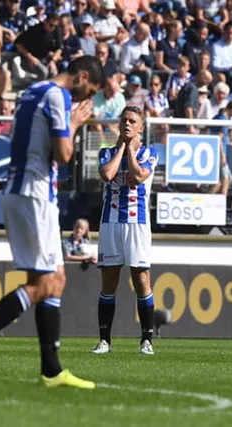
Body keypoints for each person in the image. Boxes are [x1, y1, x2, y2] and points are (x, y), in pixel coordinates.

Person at [0, 55, 104, 389]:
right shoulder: (58, 96)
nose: (81, 100)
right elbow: (63, 153)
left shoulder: (34, 90)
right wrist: (75, 124)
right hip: (34, 192)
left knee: (55, 279)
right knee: (45, 284)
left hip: (22, 189)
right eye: (86, 91)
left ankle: (51, 371)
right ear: (82, 77)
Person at [92, 105, 158, 356]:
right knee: (109, 281)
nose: (127, 125)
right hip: (110, 222)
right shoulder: (107, 152)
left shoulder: (149, 153)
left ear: (141, 127)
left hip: (137, 223)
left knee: (141, 280)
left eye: (132, 121)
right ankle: (104, 341)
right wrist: (122, 146)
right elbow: (108, 174)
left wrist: (131, 149)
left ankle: (146, 340)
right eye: (124, 121)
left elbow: (139, 176)